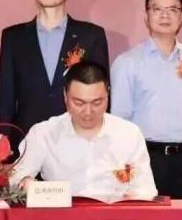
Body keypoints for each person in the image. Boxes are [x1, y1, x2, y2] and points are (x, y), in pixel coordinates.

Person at [0, 0, 109, 160]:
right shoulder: (13, 37)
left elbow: (102, 95)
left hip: (79, 143)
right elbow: (6, 98)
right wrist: (4, 148)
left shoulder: (91, 35)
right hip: (27, 144)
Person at [10, 61, 157, 200]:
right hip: (62, 215)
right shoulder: (44, 133)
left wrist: (134, 196)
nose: (88, 112)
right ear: (65, 96)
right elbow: (15, 179)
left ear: (107, 95)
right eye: (79, 103)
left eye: (97, 103)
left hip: (114, 216)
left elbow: (146, 189)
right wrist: (26, 183)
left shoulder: (129, 134)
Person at [111, 0, 182, 199]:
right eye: (157, 9)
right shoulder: (127, 63)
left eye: (172, 9)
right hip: (145, 159)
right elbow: (119, 120)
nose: (165, 15)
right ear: (146, 16)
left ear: (181, 17)